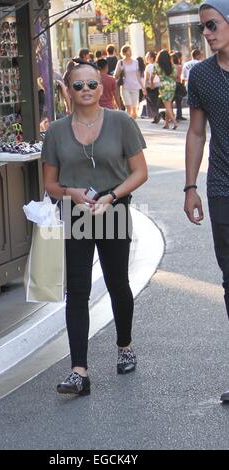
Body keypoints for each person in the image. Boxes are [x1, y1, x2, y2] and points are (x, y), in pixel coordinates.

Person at [42, 62, 148, 396]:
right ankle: (79, 371)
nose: (86, 89)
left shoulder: (121, 122)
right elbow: (50, 184)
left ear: (101, 89)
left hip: (113, 209)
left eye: (92, 84)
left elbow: (139, 172)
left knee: (118, 283)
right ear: (68, 91)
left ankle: (125, 345)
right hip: (76, 214)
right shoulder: (57, 132)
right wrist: (70, 193)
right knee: (77, 290)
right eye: (78, 85)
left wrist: (113, 196)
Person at [184, 0, 229, 402]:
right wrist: (189, 186)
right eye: (202, 28)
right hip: (222, 189)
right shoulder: (199, 75)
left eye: (212, 25)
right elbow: (196, 133)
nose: (207, 33)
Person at [151, 49, 178, 130]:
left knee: (167, 106)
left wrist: (152, 83)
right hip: (172, 85)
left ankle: (175, 122)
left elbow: (152, 76)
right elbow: (175, 75)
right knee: (168, 105)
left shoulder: (156, 65)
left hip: (163, 85)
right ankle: (166, 124)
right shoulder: (171, 64)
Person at [114, 45, 142, 119]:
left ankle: (133, 123)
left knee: (134, 108)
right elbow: (115, 76)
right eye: (129, 50)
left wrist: (142, 86)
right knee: (128, 106)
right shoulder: (120, 62)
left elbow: (138, 75)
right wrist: (121, 69)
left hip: (135, 87)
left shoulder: (135, 62)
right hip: (125, 87)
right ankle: (128, 124)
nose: (130, 52)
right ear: (124, 52)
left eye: (130, 50)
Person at [171, 51, 187, 121]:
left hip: (171, 84)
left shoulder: (171, 67)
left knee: (170, 101)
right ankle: (179, 115)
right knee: (178, 101)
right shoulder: (180, 67)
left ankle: (171, 116)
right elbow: (181, 76)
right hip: (178, 84)